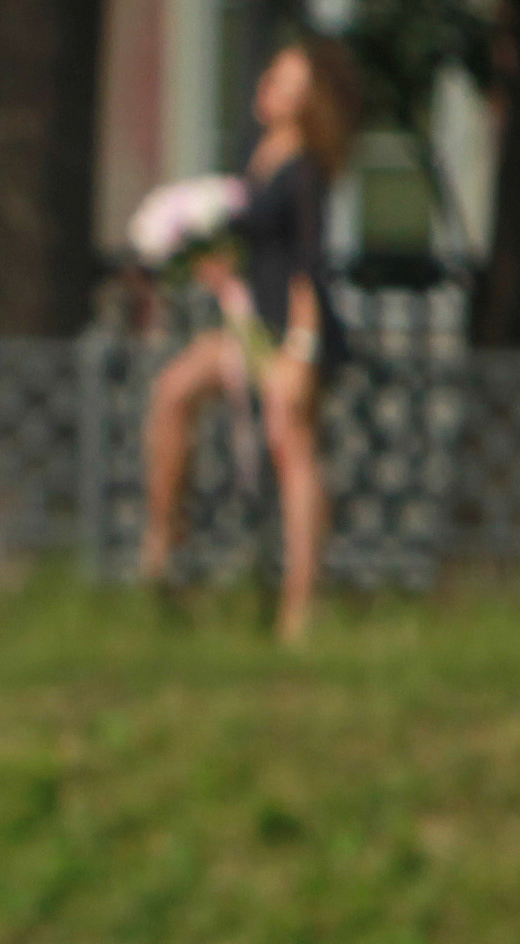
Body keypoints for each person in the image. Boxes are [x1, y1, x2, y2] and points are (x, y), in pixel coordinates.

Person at [138, 33, 362, 645]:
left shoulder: (306, 169)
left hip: (292, 331)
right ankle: (165, 541)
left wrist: (300, 354)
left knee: (294, 455)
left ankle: (301, 607)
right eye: (275, 75)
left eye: (290, 82)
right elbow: (256, 245)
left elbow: (308, 266)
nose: (273, 87)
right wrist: (210, 259)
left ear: (311, 99)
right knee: (173, 391)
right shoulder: (258, 152)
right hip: (248, 323)